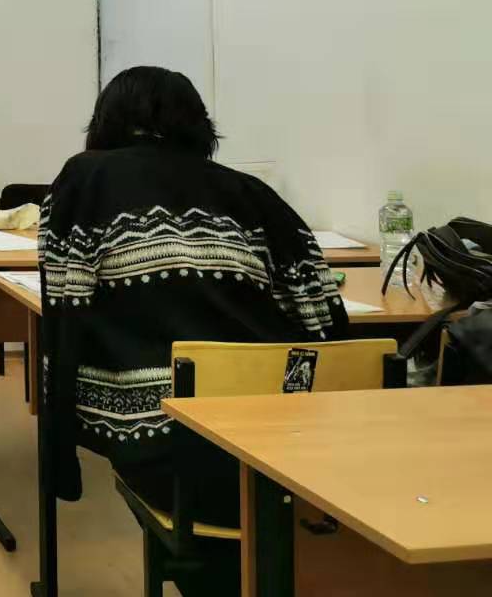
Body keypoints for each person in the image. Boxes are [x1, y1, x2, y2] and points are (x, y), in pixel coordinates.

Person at [39, 66, 348, 595]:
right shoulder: (253, 193)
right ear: (200, 124)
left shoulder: (85, 178)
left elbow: (66, 310)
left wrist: (59, 452)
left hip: (165, 447)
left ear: (105, 120)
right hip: (287, 453)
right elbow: (323, 319)